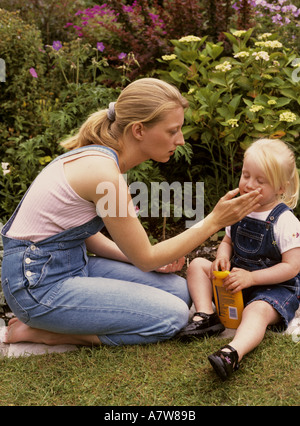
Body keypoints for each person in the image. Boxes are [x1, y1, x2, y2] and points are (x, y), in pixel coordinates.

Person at [1, 78, 262, 348]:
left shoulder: (102, 161)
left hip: (68, 265)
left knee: (180, 292)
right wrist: (215, 221)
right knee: (171, 316)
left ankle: (55, 320)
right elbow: (147, 259)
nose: (180, 140)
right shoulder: (105, 175)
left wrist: (139, 258)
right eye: (172, 131)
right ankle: (45, 332)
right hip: (36, 286)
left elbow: (81, 235)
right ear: (138, 130)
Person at [178, 138, 300, 380]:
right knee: (199, 266)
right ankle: (206, 315)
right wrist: (222, 258)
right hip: (237, 280)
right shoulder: (238, 209)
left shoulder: (285, 221)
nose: (248, 184)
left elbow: (292, 267)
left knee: (256, 312)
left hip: (273, 289)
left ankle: (233, 352)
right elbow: (228, 241)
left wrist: (252, 277)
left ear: (281, 188)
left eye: (260, 181)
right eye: (245, 175)